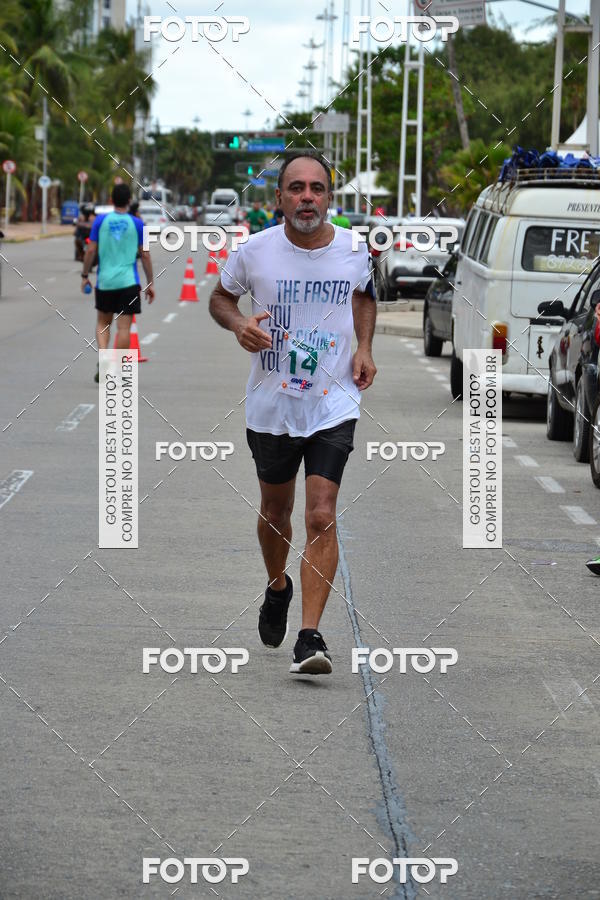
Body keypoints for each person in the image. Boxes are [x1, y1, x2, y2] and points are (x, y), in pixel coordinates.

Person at [209, 151, 377, 676]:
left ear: (330, 196)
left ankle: (310, 636)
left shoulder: (355, 250)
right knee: (275, 513)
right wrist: (238, 325)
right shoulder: (254, 252)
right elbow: (219, 298)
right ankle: (276, 585)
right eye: (297, 188)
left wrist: (364, 348)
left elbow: (365, 297)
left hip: (333, 400)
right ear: (278, 197)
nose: (308, 197)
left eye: (317, 189)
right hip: (272, 403)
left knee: (321, 513)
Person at [81, 183, 155, 382]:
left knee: (103, 323)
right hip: (129, 282)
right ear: (129, 201)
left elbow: (90, 250)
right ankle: (116, 366)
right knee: (124, 328)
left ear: (111, 200)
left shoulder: (100, 221)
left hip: (105, 282)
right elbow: (145, 255)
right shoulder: (139, 224)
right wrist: (150, 282)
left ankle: (103, 357)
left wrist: (85, 274)